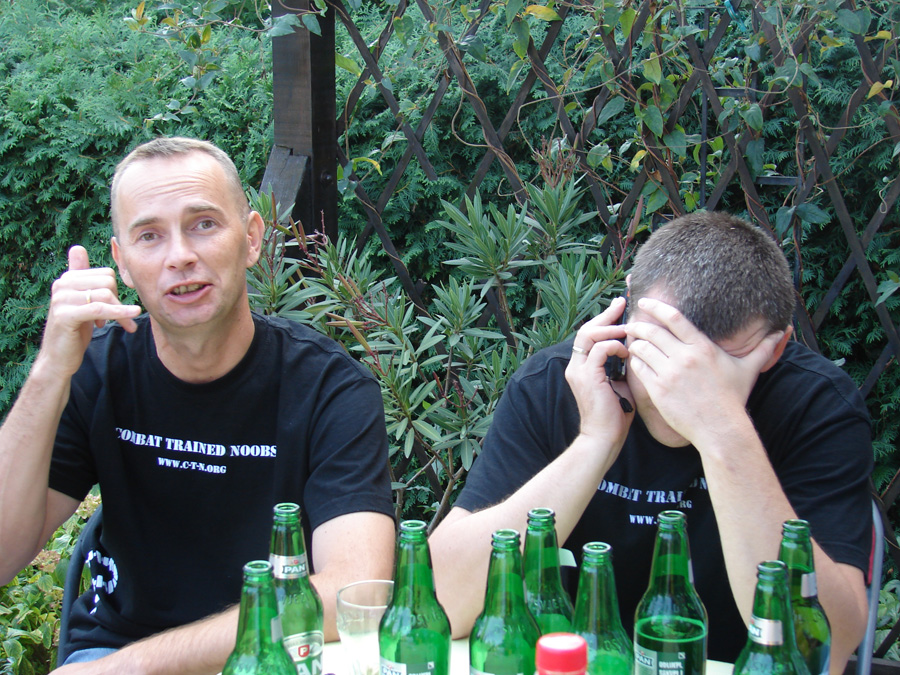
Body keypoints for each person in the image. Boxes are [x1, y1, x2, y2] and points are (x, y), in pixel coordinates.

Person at [0, 137, 395, 673]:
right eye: (149, 236)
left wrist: (132, 667)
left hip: (272, 657)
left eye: (203, 224)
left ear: (251, 239)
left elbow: (357, 590)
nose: (180, 256)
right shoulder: (93, 371)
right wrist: (49, 371)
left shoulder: (329, 388)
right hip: (115, 646)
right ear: (122, 262)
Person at [430, 211, 873, 671]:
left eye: (715, 366)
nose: (675, 385)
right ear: (627, 309)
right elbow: (444, 601)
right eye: (659, 349)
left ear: (775, 348)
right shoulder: (556, 385)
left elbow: (826, 651)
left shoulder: (817, 405)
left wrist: (724, 431)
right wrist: (594, 442)